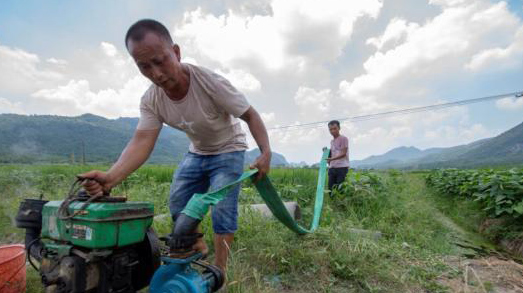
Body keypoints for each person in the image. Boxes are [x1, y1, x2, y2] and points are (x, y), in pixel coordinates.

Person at [79, 19, 271, 274]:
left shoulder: (209, 82)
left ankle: (219, 270)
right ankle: (196, 243)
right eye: (144, 66)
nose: (156, 73)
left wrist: (265, 152)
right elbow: (142, 140)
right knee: (178, 200)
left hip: (229, 148)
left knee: (222, 207)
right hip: (198, 151)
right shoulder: (152, 100)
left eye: (160, 61)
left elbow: (251, 115)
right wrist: (110, 178)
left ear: (176, 52)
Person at [326, 120, 349, 193]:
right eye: (330, 129)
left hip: (342, 168)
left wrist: (332, 159)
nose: (332, 131)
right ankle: (333, 203)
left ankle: (340, 204)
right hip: (332, 168)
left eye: (335, 128)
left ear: (339, 128)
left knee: (340, 189)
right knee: (330, 189)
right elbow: (333, 153)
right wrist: (327, 155)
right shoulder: (332, 141)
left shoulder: (343, 138)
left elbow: (344, 153)